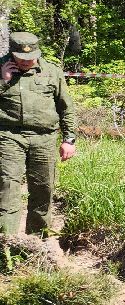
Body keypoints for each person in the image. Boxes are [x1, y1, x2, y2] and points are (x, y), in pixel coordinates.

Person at [0, 32, 77, 236]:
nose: (26, 62)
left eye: (30, 57)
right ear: (11, 53)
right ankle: (6, 242)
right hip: (8, 136)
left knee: (43, 188)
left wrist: (69, 139)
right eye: (21, 58)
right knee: (8, 188)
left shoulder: (52, 71)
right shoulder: (0, 69)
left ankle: (37, 242)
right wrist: (3, 81)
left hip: (44, 138)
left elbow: (66, 108)